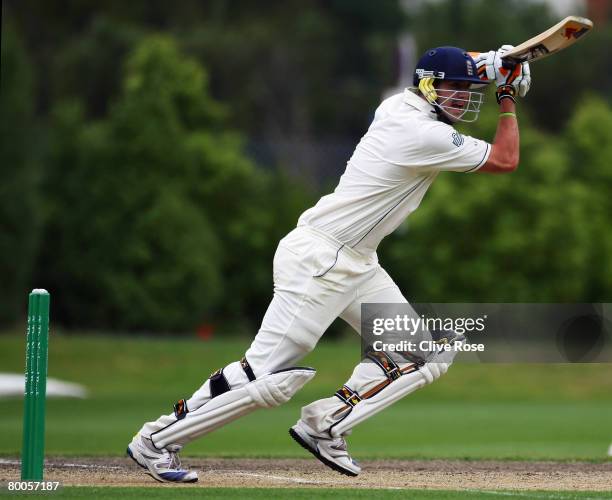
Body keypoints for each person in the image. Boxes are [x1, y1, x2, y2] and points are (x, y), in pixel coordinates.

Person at [126, 45, 530, 483]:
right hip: (321, 259)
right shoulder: (421, 133)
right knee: (266, 376)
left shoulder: (398, 103)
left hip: (357, 261)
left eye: (468, 90)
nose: (463, 100)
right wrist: (505, 96)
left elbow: (448, 68)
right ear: (430, 87)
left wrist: (488, 61)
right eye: (454, 90)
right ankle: (156, 440)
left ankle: (325, 425)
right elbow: (505, 160)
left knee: (423, 353)